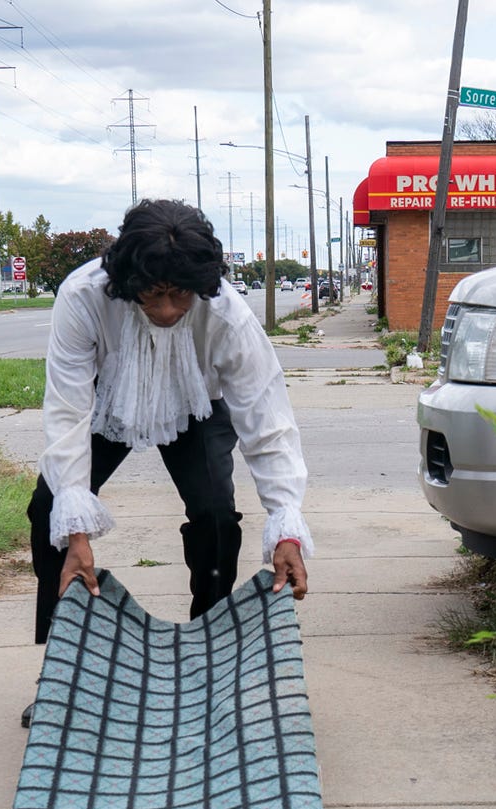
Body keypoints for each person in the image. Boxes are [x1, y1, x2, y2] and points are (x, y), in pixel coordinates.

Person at [23, 199, 313, 659]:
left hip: (199, 402)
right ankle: (64, 663)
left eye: (181, 296)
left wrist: (287, 529)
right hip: (110, 400)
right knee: (49, 510)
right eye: (153, 294)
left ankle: (209, 654)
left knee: (216, 516)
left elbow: (268, 421)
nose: (166, 309)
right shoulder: (83, 296)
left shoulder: (227, 315)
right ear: (125, 283)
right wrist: (76, 534)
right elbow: (67, 410)